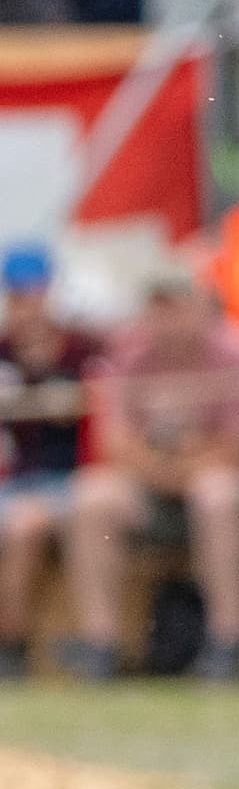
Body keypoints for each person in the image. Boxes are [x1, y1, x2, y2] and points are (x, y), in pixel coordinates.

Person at [62, 266, 239, 678]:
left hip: (214, 486)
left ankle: (226, 642)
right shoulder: (128, 356)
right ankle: (101, 643)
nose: (167, 319)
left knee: (218, 495)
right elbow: (115, 443)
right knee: (92, 498)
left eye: (176, 307)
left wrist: (187, 467)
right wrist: (164, 470)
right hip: (152, 485)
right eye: (158, 308)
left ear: (202, 308)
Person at [0, 243, 93, 669]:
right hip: (15, 481)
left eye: (35, 294)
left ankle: (13, 646)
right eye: (19, 296)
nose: (29, 307)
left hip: (71, 480)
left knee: (24, 526)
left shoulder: (83, 351)